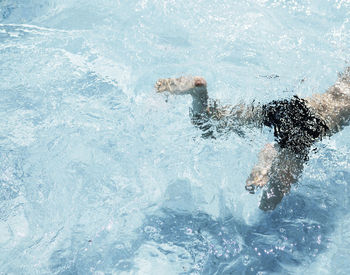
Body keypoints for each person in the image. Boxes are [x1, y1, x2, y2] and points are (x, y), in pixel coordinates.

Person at [155, 68, 350, 210]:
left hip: (291, 107)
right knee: (269, 203)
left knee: (211, 124)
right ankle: (267, 157)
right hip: (311, 128)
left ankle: (199, 95)